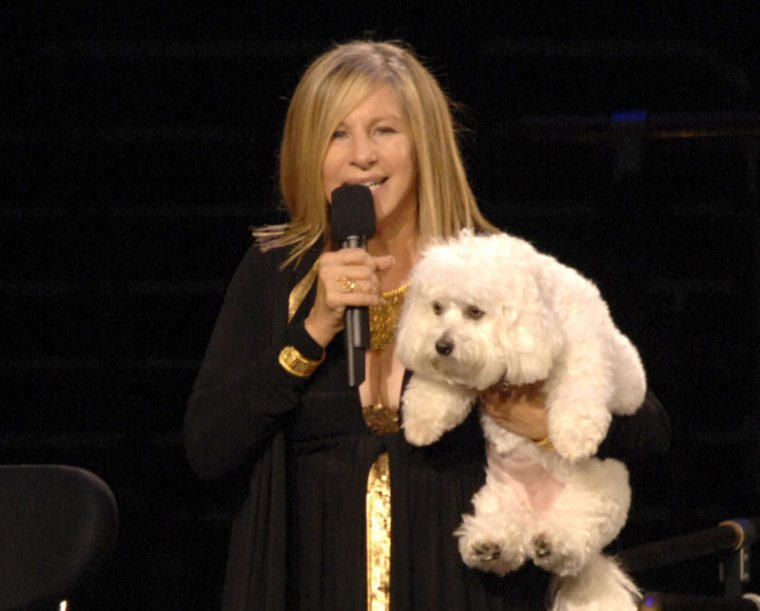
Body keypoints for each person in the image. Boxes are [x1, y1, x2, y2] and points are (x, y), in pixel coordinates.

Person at [184, 40, 671, 611]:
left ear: (424, 145)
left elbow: (649, 429)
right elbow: (209, 448)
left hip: (466, 588)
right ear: (307, 152)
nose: (361, 155)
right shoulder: (275, 272)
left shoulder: (491, 269)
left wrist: (542, 421)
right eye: (337, 134)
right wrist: (312, 329)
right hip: (317, 582)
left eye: (384, 130)